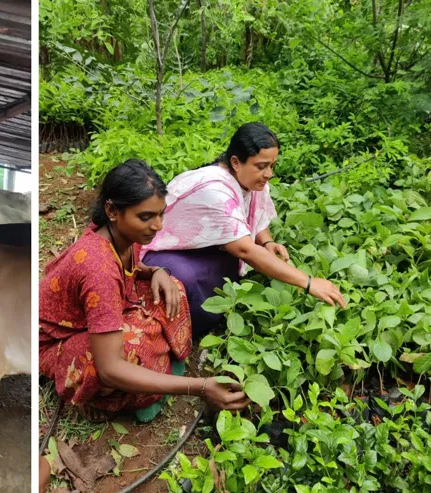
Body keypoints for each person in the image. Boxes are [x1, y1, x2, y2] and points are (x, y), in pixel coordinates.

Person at [39, 159, 249, 423]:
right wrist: (200, 387)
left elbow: (131, 266)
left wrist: (156, 272)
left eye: (160, 214)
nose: (158, 226)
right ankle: (97, 398)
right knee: (128, 351)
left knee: (174, 290)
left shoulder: (124, 235)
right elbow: (110, 369)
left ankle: (154, 369)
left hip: (99, 311)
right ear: (112, 210)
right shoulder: (98, 268)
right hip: (56, 342)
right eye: (146, 217)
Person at [142, 122, 347, 339]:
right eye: (261, 166)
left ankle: (209, 313)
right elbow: (246, 250)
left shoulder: (252, 180)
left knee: (228, 269)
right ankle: (181, 332)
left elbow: (255, 216)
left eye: (272, 165)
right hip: (163, 251)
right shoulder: (215, 191)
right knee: (185, 279)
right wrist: (308, 282)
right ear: (235, 162)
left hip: (201, 247)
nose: (269, 174)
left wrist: (267, 242)